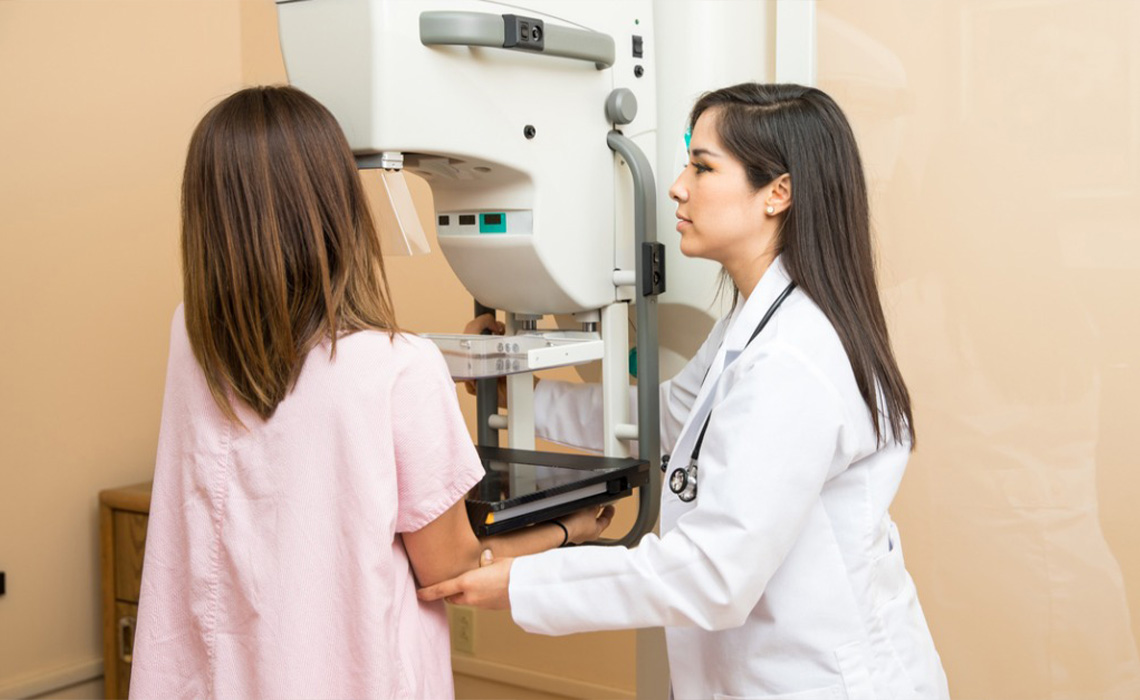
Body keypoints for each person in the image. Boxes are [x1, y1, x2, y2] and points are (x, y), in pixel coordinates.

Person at [420, 83, 950, 699]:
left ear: (778, 193)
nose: (676, 186)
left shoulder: (792, 360)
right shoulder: (761, 321)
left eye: (702, 167)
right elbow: (674, 415)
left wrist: (521, 585)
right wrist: (522, 391)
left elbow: (712, 574)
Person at [129, 85, 612, 700]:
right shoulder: (400, 369)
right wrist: (571, 529)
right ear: (335, 206)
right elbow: (450, 570)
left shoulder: (191, 337)